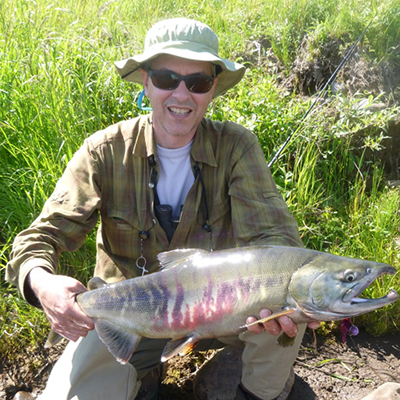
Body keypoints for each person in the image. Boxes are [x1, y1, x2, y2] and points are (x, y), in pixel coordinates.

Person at [6, 18, 318, 400]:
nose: (182, 95)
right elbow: (40, 237)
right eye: (168, 79)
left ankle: (255, 395)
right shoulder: (104, 152)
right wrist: (42, 283)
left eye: (198, 82)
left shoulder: (237, 147)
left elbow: (276, 240)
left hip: (228, 313)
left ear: (213, 88)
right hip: (128, 317)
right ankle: (137, 376)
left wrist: (283, 290)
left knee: (291, 297)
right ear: (146, 82)